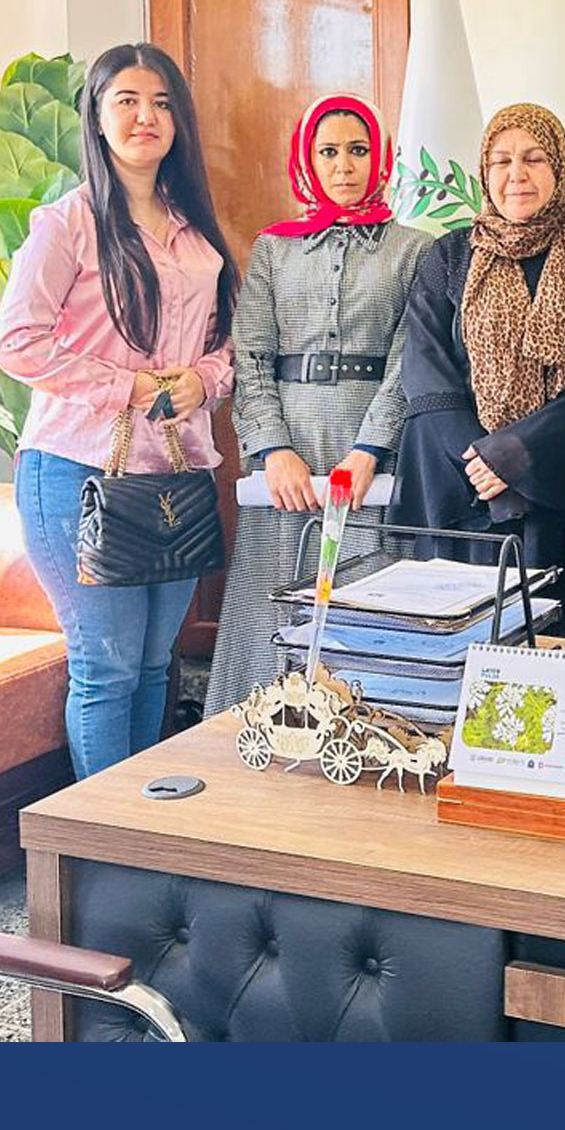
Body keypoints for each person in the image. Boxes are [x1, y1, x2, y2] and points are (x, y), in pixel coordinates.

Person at [0, 43, 238, 776]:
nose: (145, 117)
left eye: (161, 103)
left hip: (174, 476)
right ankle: (102, 836)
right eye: (126, 101)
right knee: (105, 668)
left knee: (155, 667)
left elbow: (225, 343)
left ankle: (144, 819)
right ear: (97, 118)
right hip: (78, 472)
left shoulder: (194, 227)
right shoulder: (66, 224)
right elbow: (16, 343)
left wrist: (204, 380)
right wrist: (125, 386)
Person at [204, 95, 434, 714]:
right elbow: (251, 355)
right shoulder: (273, 249)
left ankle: (370, 738)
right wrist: (272, 450)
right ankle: (254, 735)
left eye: (358, 150)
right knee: (272, 600)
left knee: (367, 595)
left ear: (380, 158)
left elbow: (408, 358)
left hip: (370, 451)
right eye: (328, 152)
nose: (343, 166)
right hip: (288, 452)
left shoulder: (413, 249)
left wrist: (369, 450)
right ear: (307, 160)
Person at [389, 104, 565, 634]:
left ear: (561, 168)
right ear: (484, 171)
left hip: (557, 480)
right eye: (502, 161)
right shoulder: (448, 255)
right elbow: (425, 368)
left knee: (553, 641)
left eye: (534, 159)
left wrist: (514, 455)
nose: (517, 174)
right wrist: (480, 460)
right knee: (456, 639)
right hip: (458, 484)